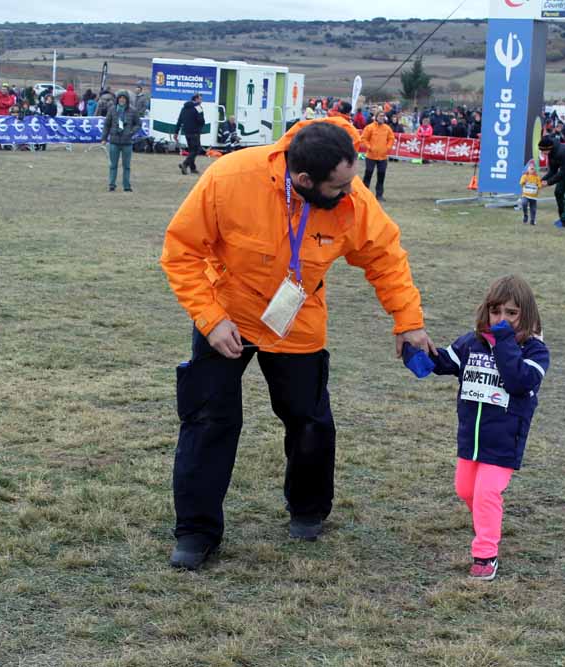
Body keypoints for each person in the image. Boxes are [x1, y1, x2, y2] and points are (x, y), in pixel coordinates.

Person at [160, 118, 434, 570]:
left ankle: (309, 509)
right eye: (339, 186)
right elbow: (181, 251)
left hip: (297, 317)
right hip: (226, 314)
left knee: (309, 419)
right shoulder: (230, 177)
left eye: (352, 180)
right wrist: (211, 319)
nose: (351, 192)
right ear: (304, 179)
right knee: (208, 420)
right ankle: (196, 531)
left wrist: (408, 321)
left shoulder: (352, 198)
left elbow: (385, 257)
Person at [427, 275, 549, 581]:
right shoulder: (473, 343)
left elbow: (518, 381)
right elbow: (444, 361)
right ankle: (487, 519)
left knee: (486, 493)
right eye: (496, 312)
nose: (502, 319)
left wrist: (504, 341)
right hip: (471, 436)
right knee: (465, 489)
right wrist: (418, 352)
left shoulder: (534, 352)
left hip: (505, 439)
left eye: (511, 313)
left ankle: (485, 554)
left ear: (526, 315)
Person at [101, 89, 140, 192]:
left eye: (124, 98)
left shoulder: (133, 110)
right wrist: (104, 138)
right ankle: (112, 184)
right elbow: (107, 125)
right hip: (114, 141)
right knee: (113, 165)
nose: (122, 100)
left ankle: (126, 186)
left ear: (127, 99)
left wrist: (131, 132)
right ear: (117, 99)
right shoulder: (112, 110)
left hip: (127, 142)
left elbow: (138, 124)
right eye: (120, 98)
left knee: (126, 166)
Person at [360, 111, 395, 201]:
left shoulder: (387, 128)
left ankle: (379, 195)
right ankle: (364, 194)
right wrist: (369, 147)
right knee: (368, 174)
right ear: (376, 117)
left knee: (381, 176)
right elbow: (363, 139)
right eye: (380, 116)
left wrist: (388, 147)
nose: (382, 117)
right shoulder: (369, 127)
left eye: (383, 116)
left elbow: (391, 139)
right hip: (370, 156)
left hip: (383, 157)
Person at [173, 93, 205, 176]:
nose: (201, 101)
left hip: (187, 132)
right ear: (196, 99)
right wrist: (200, 126)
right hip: (195, 132)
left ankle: (192, 168)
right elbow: (201, 120)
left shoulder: (184, 108)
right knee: (196, 150)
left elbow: (179, 120)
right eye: (200, 99)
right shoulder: (198, 107)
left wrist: (176, 132)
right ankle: (185, 164)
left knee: (191, 150)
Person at [518, 160, 541, 225]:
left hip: (533, 197)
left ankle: (532, 220)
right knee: (524, 203)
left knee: (533, 209)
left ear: (535, 170)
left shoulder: (537, 177)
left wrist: (538, 185)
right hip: (525, 195)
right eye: (530, 168)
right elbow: (521, 183)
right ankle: (525, 215)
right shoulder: (525, 176)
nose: (532, 169)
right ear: (528, 169)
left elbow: (539, 185)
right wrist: (524, 181)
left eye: (533, 168)